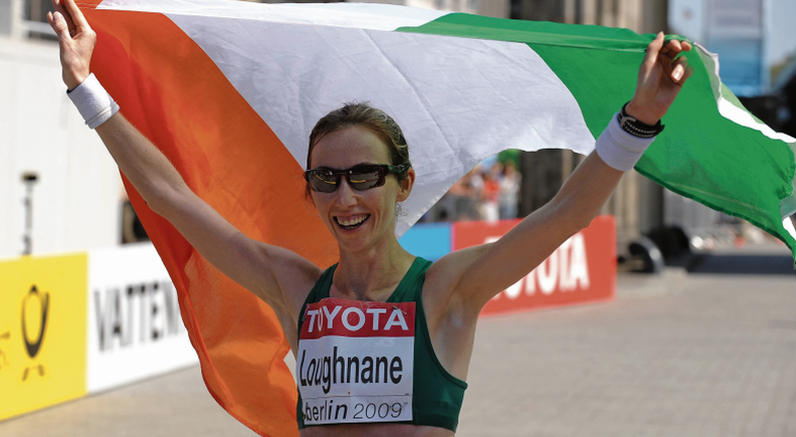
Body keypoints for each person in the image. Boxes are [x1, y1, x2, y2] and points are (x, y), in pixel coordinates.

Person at [47, 0, 691, 435]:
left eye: (364, 176)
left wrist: (639, 121)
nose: (345, 197)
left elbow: (565, 213)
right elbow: (174, 199)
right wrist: (85, 86)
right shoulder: (294, 287)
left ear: (403, 183)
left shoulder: (446, 291)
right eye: (326, 179)